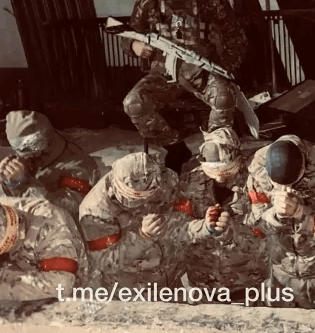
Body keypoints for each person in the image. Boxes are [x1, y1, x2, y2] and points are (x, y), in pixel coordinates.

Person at [121, 0, 248, 174]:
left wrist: (226, 69)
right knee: (133, 103)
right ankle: (176, 148)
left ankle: (215, 150)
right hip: (162, 75)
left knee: (223, 98)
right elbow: (128, 34)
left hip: (202, 73)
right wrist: (135, 45)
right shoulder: (148, 1)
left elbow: (235, 37)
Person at [79, 152, 230, 291]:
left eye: (149, 196)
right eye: (133, 198)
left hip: (170, 281)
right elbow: (105, 262)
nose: (144, 203)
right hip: (131, 291)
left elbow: (177, 228)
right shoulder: (95, 211)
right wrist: (142, 237)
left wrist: (205, 226)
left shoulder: (166, 182)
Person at [244, 135, 315, 309]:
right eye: (277, 185)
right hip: (281, 270)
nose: (285, 190)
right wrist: (276, 215)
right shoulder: (256, 168)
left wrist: (301, 213)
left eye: (292, 183)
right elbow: (256, 226)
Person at [177, 128, 269, 303]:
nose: (219, 178)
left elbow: (264, 230)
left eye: (226, 171)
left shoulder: (256, 181)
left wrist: (232, 232)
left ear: (238, 159)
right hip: (202, 280)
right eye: (213, 172)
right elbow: (179, 228)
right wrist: (203, 227)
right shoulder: (189, 182)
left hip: (246, 279)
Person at [0, 110, 101, 221]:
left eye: (33, 145)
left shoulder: (79, 166)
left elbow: (63, 211)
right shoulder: (29, 157)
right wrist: (8, 181)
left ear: (47, 134)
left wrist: (23, 184)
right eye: (20, 150)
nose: (28, 154)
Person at [0, 196, 88, 300]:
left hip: (75, 289)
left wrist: (4, 284)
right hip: (21, 266)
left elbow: (61, 285)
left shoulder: (49, 224)